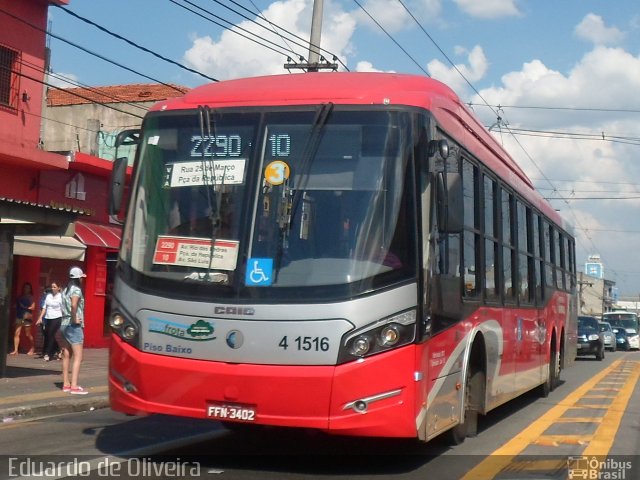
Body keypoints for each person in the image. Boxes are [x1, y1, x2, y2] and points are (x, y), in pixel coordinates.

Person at [60, 267, 89, 394]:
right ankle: (74, 386)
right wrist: (74, 319)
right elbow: (74, 305)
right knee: (78, 356)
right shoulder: (76, 290)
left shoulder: (65, 290)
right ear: (78, 278)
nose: (83, 279)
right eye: (82, 277)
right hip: (73, 325)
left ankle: (66, 384)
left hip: (64, 323)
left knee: (66, 355)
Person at [36, 283, 63, 362]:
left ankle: (48, 354)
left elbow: (63, 308)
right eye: (52, 287)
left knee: (51, 333)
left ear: (58, 288)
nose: (53, 288)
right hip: (48, 317)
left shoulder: (61, 296)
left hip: (57, 317)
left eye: (54, 287)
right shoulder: (48, 296)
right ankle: (59, 350)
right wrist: (40, 318)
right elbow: (44, 307)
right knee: (48, 335)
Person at [10, 282, 35, 355]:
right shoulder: (20, 297)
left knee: (28, 334)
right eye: (25, 287)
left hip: (27, 316)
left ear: (30, 289)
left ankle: (33, 347)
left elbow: (33, 307)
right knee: (17, 333)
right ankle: (16, 350)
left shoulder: (31, 297)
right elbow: (16, 306)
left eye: (28, 288)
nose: (26, 289)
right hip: (19, 316)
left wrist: (24, 307)